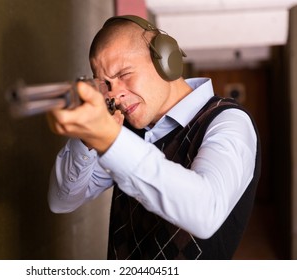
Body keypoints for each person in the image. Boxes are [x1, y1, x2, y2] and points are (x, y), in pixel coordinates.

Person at [46, 15, 261, 260]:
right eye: (106, 84)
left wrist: (110, 140)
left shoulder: (228, 122)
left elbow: (206, 212)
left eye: (124, 74)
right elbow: (61, 201)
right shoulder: (125, 130)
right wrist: (86, 137)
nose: (115, 97)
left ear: (165, 60)